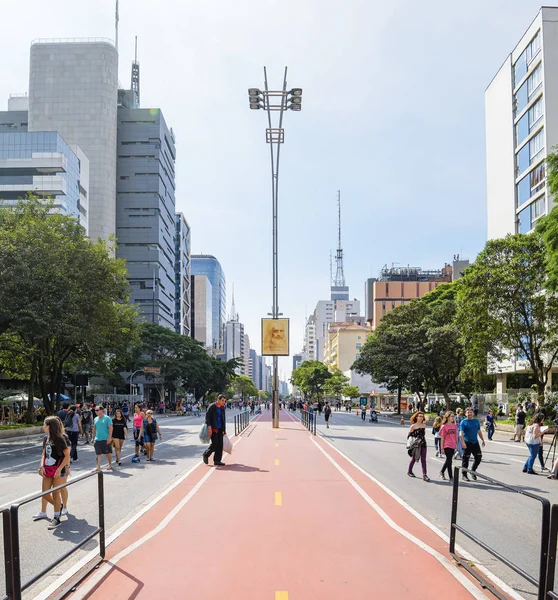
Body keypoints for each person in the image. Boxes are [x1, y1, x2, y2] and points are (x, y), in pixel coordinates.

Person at [32, 416, 71, 529]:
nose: (43, 426)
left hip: (58, 469)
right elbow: (44, 453)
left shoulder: (60, 438)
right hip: (47, 468)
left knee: (55, 492)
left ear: (49, 426)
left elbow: (67, 455)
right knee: (44, 493)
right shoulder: (46, 438)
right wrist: (41, 466)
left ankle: (56, 518)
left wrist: (60, 469)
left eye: (44, 424)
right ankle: (59, 506)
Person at [460, 407, 486, 481]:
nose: (469, 413)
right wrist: (463, 442)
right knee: (466, 459)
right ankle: (464, 474)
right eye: (468, 412)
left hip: (475, 442)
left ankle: (473, 471)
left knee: (478, 457)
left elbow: (479, 431)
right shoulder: (463, 422)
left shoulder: (476, 421)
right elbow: (460, 434)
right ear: (465, 414)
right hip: (467, 443)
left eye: (471, 412)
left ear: (473, 413)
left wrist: (483, 440)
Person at [203, 394, 227, 467]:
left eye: (224, 401)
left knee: (220, 445)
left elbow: (223, 419)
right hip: (213, 429)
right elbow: (207, 418)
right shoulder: (212, 407)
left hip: (220, 429)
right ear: (218, 400)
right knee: (215, 444)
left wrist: (224, 429)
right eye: (222, 400)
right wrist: (209, 427)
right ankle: (206, 454)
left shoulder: (222, 408)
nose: (224, 402)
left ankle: (217, 460)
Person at [407, 411, 429, 481]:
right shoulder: (413, 426)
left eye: (422, 416)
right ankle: (409, 471)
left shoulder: (424, 425)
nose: (421, 418)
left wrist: (421, 440)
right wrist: (416, 440)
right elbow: (409, 436)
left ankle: (424, 475)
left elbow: (423, 435)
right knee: (414, 458)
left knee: (423, 460)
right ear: (416, 417)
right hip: (416, 445)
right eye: (419, 416)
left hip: (423, 444)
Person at [92, 405, 113, 471]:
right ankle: (98, 467)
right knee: (98, 454)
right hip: (97, 439)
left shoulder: (107, 418)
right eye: (95, 410)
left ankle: (110, 464)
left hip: (105, 439)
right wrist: (93, 438)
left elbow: (111, 428)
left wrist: (109, 438)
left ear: (101, 410)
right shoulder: (95, 419)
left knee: (108, 453)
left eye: (97, 410)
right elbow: (94, 429)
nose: (96, 411)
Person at [439, 412, 457, 482]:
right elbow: (442, 438)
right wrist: (442, 448)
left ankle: (442, 472)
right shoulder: (444, 426)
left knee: (448, 460)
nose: (453, 418)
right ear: (448, 417)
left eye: (453, 416)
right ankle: (451, 477)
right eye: (452, 416)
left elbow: (456, 436)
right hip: (447, 445)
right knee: (449, 461)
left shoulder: (454, 426)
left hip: (453, 445)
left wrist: (457, 445)